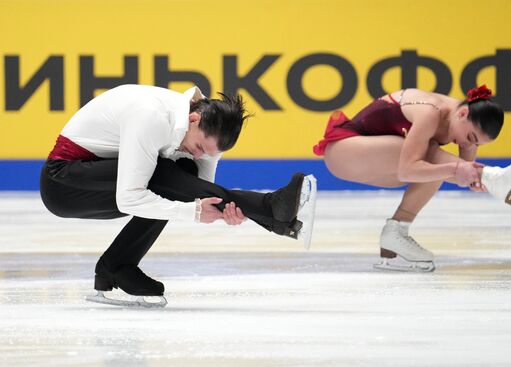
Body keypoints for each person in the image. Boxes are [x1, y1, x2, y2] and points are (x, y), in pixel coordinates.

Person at [40, 84, 316, 307]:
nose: (200, 154)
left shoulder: (206, 128)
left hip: (106, 181)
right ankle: (270, 210)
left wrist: (223, 212)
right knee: (161, 173)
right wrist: (192, 211)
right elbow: (130, 198)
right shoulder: (151, 117)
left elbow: (196, 187)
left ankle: (117, 267)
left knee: (183, 169)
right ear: (194, 119)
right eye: (198, 146)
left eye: (207, 152)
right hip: (64, 184)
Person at [313, 85, 511, 272]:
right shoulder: (430, 112)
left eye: (476, 143)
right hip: (344, 152)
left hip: (380, 159)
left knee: (436, 165)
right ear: (462, 114)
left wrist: (474, 178)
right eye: (470, 137)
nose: (468, 144)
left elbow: (461, 167)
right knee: (429, 159)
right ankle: (495, 178)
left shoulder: (461, 125)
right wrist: (467, 172)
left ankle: (396, 232)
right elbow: (407, 170)